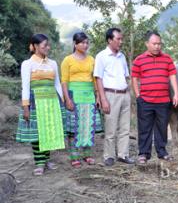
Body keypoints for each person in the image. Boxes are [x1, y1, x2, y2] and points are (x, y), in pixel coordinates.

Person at [16, 34, 65, 176]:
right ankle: (39, 162)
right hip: (35, 102)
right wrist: (26, 107)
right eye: (45, 46)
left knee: (49, 131)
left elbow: (57, 84)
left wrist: (62, 101)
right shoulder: (28, 64)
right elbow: (25, 86)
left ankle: (47, 160)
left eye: (48, 45)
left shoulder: (53, 63)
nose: (48, 48)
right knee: (37, 133)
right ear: (35, 46)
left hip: (51, 102)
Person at [131, 30, 178, 164]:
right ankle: (143, 154)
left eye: (159, 44)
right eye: (154, 44)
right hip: (145, 100)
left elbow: (172, 76)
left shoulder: (167, 59)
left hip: (163, 100)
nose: (157, 46)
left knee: (162, 127)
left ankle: (162, 152)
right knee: (144, 128)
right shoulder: (139, 60)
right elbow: (134, 78)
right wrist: (138, 96)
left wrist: (176, 93)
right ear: (147, 44)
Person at [94, 28, 134, 166]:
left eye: (121, 39)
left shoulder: (121, 56)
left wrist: (128, 90)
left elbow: (126, 75)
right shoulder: (101, 56)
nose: (120, 42)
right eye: (118, 39)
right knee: (111, 128)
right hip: (110, 95)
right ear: (109, 40)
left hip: (124, 94)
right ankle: (109, 156)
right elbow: (98, 79)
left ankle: (123, 154)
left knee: (125, 127)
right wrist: (103, 98)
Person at [61, 32, 103, 168]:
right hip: (74, 96)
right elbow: (64, 81)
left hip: (89, 96)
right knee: (74, 128)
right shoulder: (67, 60)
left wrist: (97, 96)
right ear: (75, 44)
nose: (85, 45)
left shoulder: (91, 59)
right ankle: (74, 156)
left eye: (87, 42)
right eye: (82, 43)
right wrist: (67, 99)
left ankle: (87, 154)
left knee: (87, 126)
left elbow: (94, 79)